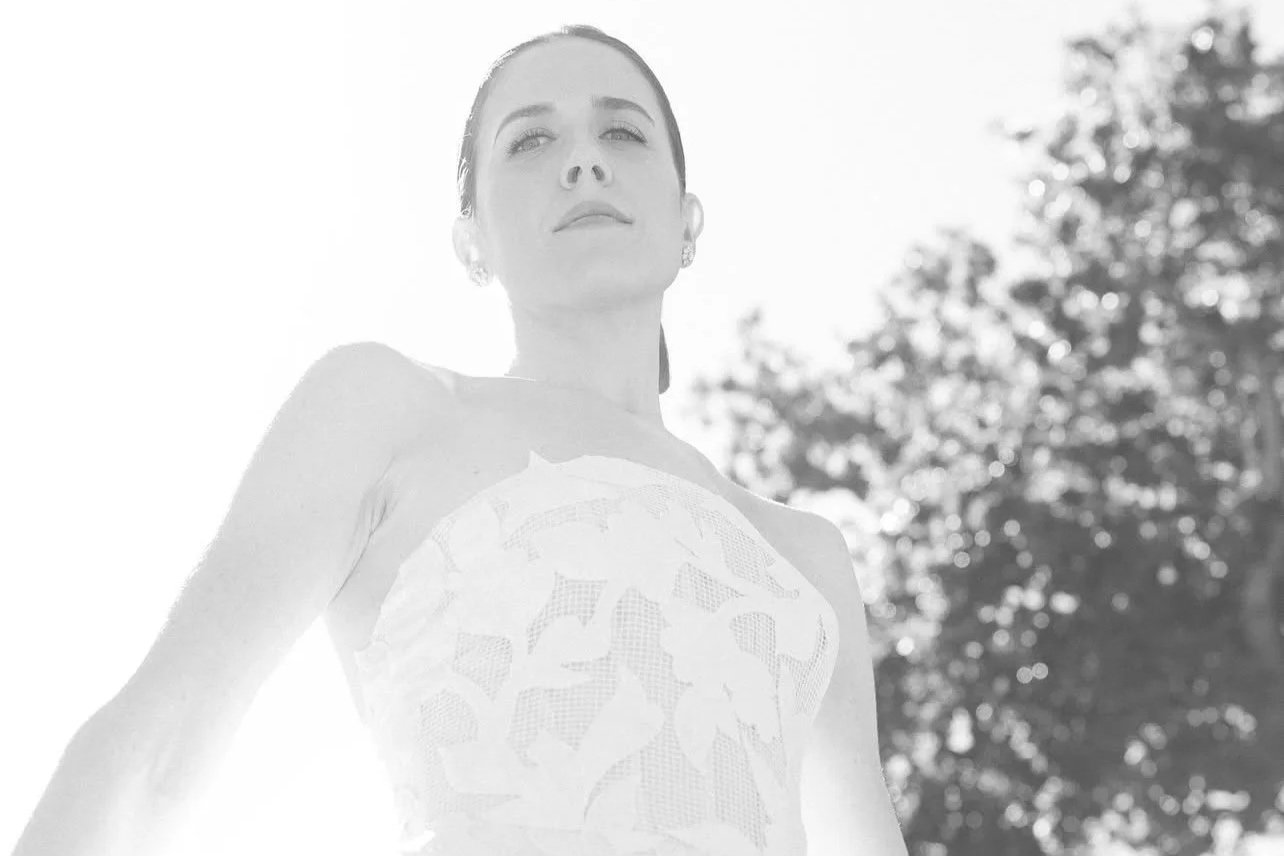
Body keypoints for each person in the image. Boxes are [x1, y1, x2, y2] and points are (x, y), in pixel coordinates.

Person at [12, 24, 908, 856]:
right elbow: (159, 751)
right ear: (470, 240)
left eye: (623, 134)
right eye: (531, 142)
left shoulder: (805, 558)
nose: (584, 162)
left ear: (688, 224)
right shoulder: (385, 409)